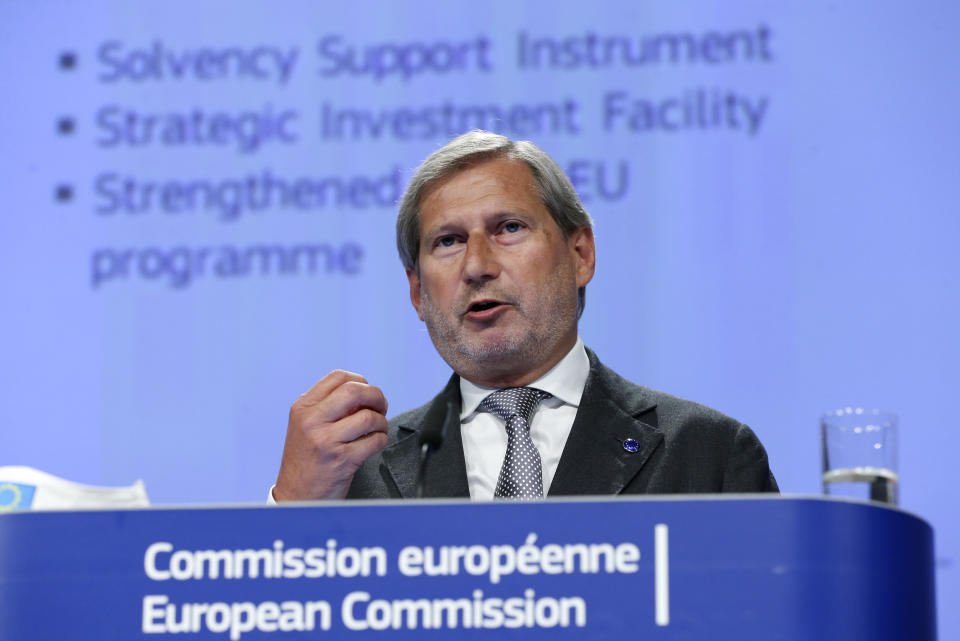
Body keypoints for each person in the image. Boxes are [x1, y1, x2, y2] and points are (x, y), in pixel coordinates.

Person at [272, 130, 777, 502]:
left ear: (580, 254)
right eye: (448, 242)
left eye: (508, 228)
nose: (476, 266)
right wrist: (290, 510)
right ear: (417, 293)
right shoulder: (355, 477)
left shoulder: (707, 453)